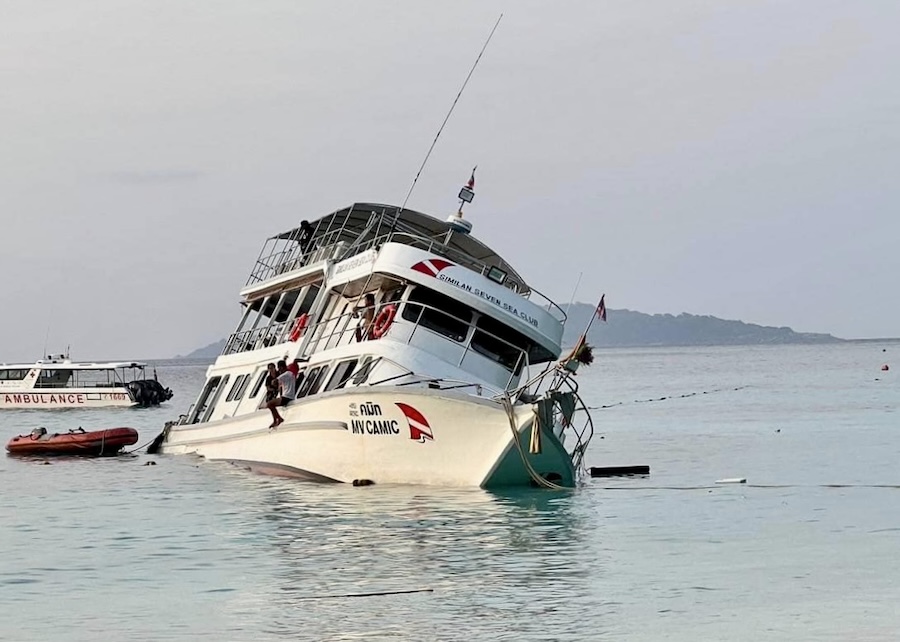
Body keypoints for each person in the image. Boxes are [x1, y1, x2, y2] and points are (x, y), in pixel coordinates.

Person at [266, 360, 296, 428]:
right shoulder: (290, 373)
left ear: (281, 367)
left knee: (269, 404)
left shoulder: (286, 374)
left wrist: (274, 384)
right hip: (289, 396)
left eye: (279, 368)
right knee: (271, 404)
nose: (279, 370)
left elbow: (274, 381)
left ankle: (278, 419)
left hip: (287, 397)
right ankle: (278, 419)